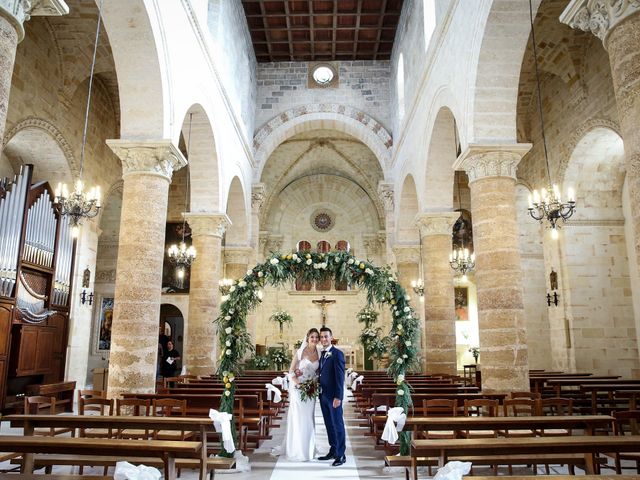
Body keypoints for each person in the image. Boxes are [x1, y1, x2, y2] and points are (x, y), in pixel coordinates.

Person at [272, 328, 321, 462]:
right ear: (307, 338)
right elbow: (291, 372)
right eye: (312, 337)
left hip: (310, 390)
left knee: (309, 418)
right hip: (298, 390)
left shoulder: (320, 352)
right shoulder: (300, 352)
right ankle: (297, 450)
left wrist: (313, 384)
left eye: (317, 337)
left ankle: (308, 449)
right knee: (299, 418)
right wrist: (299, 385)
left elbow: (318, 373)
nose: (315, 339)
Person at [317, 326, 346, 466]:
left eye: (326, 336)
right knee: (329, 424)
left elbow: (340, 378)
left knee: (337, 424)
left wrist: (338, 397)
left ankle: (341, 455)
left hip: (333, 396)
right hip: (323, 395)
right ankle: (333, 449)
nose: (323, 339)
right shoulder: (322, 354)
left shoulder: (337, 354)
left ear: (331, 337)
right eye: (321, 337)